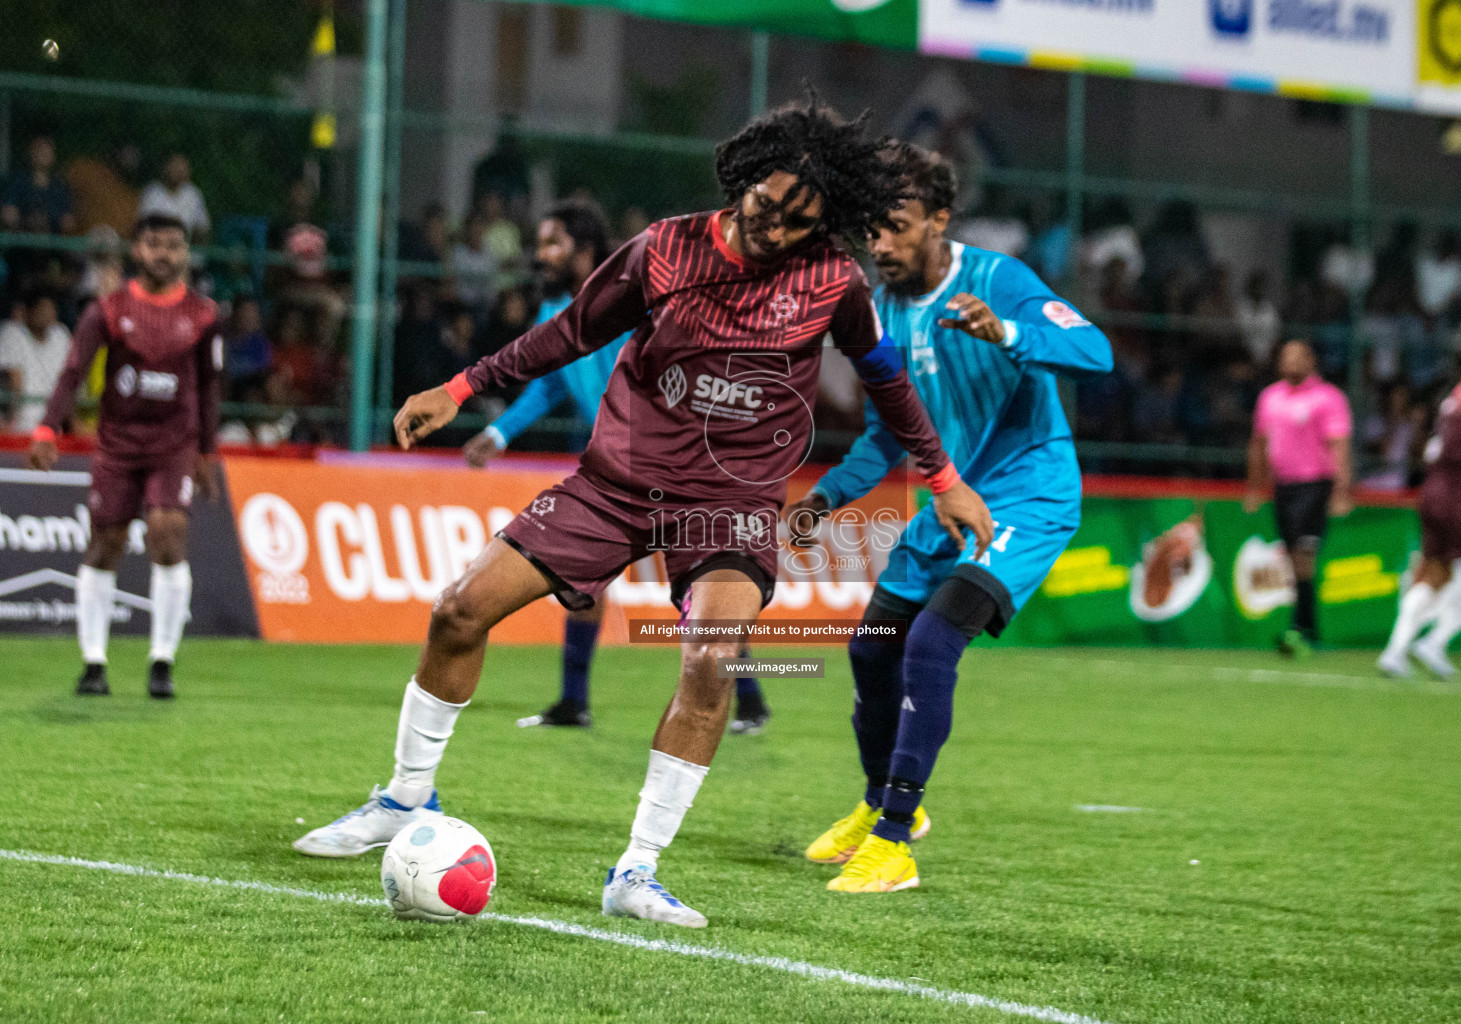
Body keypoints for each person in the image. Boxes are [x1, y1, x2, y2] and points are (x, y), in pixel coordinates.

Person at [291, 96, 993, 929]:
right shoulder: (665, 248)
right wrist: (461, 388)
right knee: (457, 611)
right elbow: (567, 335)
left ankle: (637, 870)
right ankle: (404, 801)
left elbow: (887, 384)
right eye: (762, 206)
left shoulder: (833, 282)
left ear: (827, 222)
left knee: (711, 662)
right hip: (616, 482)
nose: (769, 229)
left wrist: (943, 476)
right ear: (742, 181)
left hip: (729, 506)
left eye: (796, 222)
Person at [786, 143, 1112, 893]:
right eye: (871, 229)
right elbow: (887, 430)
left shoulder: (999, 279)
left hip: (1026, 498)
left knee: (932, 642)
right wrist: (829, 497)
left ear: (939, 219)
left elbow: (1094, 351)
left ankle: (896, 840)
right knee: (871, 651)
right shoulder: (885, 312)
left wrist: (1009, 333)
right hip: (945, 501)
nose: (881, 244)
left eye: (897, 226)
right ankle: (880, 805)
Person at [462, 199, 772, 734]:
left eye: (552, 242)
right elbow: (554, 383)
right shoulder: (557, 309)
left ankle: (749, 698)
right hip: (618, 466)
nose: (541, 253)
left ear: (585, 249)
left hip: (681, 462)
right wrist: (498, 432)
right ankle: (573, 702)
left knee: (707, 587)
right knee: (581, 580)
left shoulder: (641, 294)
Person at [26, 214, 222, 698]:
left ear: (186, 254)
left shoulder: (204, 315)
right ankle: (94, 663)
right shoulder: (108, 310)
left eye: (175, 246)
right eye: (155, 244)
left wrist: (209, 452)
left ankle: (162, 662)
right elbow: (74, 370)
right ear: (137, 250)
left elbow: (212, 387)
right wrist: (48, 427)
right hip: (118, 444)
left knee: (168, 533)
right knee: (106, 543)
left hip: (174, 443)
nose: (165, 254)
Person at [1378, 347, 1461, 679]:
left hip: (1434, 494)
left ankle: (1395, 651)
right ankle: (1434, 642)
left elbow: (1434, 447)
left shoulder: (1455, 402)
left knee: (1435, 574)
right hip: (1456, 497)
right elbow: (1451, 449)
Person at [1244, 339, 1353, 656]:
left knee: (1303, 558)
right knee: (1294, 561)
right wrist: (1254, 488)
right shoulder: (1269, 397)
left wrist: (1341, 489)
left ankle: (1296, 630)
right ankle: (1311, 631)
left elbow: (1339, 446)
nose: (1289, 361)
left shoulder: (1328, 398)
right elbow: (1258, 444)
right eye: (1284, 356)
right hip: (1284, 487)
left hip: (1315, 485)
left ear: (1310, 361)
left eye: (1296, 356)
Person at [0, 290, 71, 433]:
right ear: (27, 311)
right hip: (20, 426)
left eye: (51, 308)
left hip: (53, 425)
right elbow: (14, 381)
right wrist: (11, 424)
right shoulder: (12, 333)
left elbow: (68, 380)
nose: (47, 313)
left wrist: (69, 423)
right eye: (42, 308)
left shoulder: (61, 335)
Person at [137, 155, 210, 243]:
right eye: (175, 167)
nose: (178, 171)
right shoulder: (152, 192)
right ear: (166, 168)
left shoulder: (193, 193)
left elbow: (202, 229)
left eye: (182, 168)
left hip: (185, 248)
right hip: (155, 247)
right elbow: (143, 225)